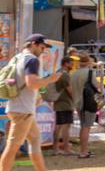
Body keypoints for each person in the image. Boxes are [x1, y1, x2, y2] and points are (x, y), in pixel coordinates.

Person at [0, 34, 61, 171]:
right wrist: (51, 79)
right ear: (33, 44)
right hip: (23, 110)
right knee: (12, 147)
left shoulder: (17, 58)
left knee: (34, 140)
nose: (43, 50)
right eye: (42, 46)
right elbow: (31, 84)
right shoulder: (32, 60)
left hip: (17, 107)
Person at [71, 53, 99, 158]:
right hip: (88, 102)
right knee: (86, 128)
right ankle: (84, 152)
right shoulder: (90, 73)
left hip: (77, 103)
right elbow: (96, 86)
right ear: (88, 62)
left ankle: (84, 150)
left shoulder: (73, 73)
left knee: (83, 126)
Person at [53, 56, 76, 156]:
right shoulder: (65, 75)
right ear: (65, 63)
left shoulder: (58, 72)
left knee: (58, 127)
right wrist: (77, 100)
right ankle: (66, 149)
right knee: (66, 126)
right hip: (66, 103)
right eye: (71, 63)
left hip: (58, 102)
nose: (72, 65)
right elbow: (70, 90)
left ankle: (55, 149)